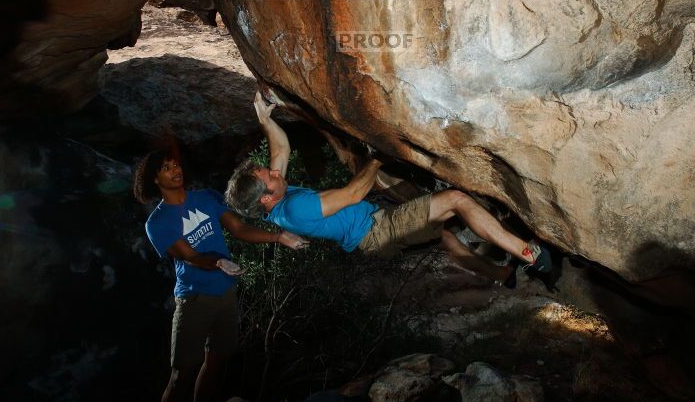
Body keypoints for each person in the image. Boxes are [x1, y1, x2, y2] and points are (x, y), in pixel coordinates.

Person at [224, 92, 551, 287]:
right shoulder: (295, 209)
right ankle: (528, 254)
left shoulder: (277, 201)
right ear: (267, 197)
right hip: (378, 231)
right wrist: (377, 156)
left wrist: (266, 120)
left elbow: (280, 152)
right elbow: (353, 194)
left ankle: (502, 274)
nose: (271, 170)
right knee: (456, 200)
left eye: (265, 169)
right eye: (267, 175)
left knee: (445, 237)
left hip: (374, 232)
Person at [134, 149, 307, 402]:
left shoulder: (206, 198)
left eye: (176, 164)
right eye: (166, 168)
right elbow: (188, 256)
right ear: (155, 179)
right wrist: (217, 262)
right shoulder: (157, 222)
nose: (175, 169)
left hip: (225, 293)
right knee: (181, 374)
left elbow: (239, 229)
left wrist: (278, 237)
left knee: (217, 362)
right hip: (194, 298)